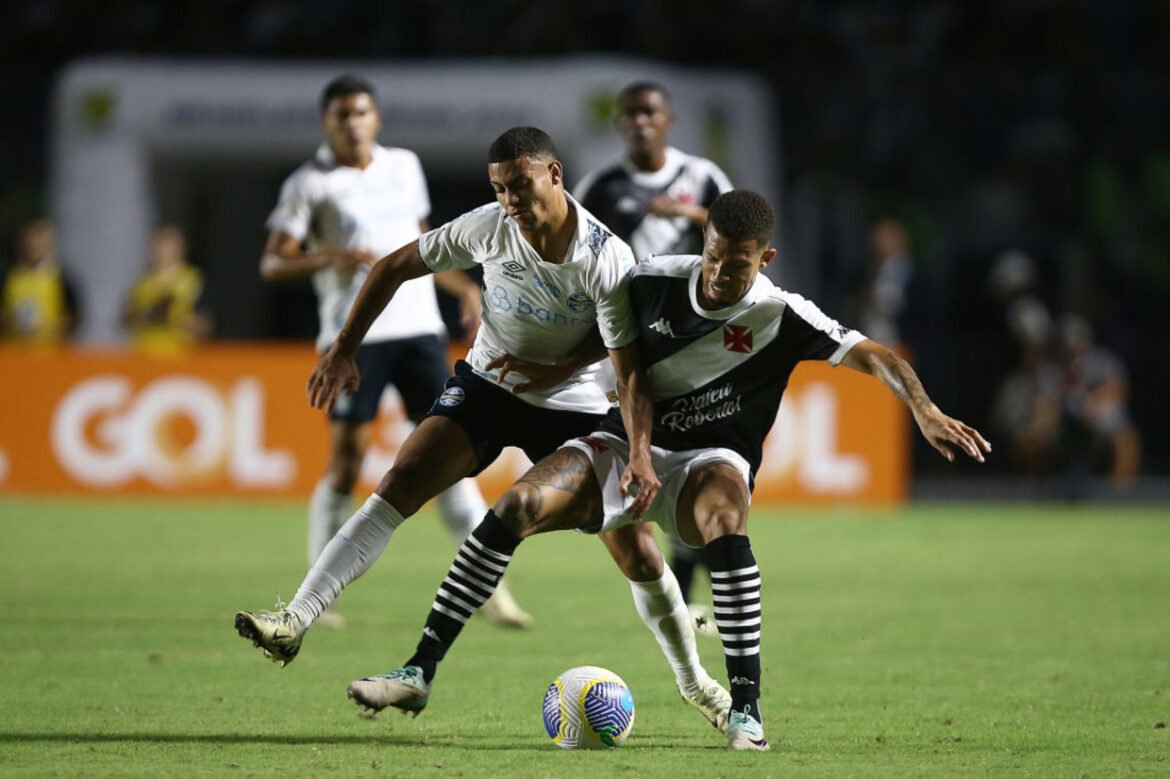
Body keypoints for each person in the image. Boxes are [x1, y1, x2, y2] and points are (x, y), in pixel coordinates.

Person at [351, 191, 991, 751]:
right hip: (626, 441)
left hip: (709, 461)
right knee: (515, 507)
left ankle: (746, 709)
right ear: (703, 240)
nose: (719, 274)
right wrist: (609, 426)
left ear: (764, 260)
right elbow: (615, 354)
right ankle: (419, 671)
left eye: (737, 265)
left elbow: (874, 354)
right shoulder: (652, 279)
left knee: (724, 518)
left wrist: (925, 410)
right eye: (713, 256)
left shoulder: (781, 314)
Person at [236, 125, 732, 732]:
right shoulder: (489, 227)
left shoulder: (605, 256)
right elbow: (394, 266)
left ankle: (695, 682)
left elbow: (626, 367)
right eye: (499, 189)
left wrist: (632, 449)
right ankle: (295, 619)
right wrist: (343, 348)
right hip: (489, 385)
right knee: (401, 481)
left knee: (636, 549)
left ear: (554, 175)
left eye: (520, 185)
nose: (510, 201)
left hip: (575, 405)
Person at [255, 74, 527, 628]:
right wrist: (328, 257)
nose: (353, 124)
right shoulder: (309, 183)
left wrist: (463, 286)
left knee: (450, 458)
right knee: (346, 465)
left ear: (375, 118)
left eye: (361, 113)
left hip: (420, 330)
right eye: (342, 115)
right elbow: (273, 262)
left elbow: (422, 242)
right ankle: (319, 595)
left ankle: (490, 592)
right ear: (326, 123)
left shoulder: (403, 165)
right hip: (355, 337)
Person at [575, 81, 734, 624]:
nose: (640, 122)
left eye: (650, 112)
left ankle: (689, 593)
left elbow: (741, 234)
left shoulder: (702, 176)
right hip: (622, 344)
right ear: (620, 123)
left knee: (693, 462)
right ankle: (677, 596)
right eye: (631, 114)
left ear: (668, 118)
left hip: (692, 343)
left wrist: (689, 216)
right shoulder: (601, 185)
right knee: (639, 463)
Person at [121, 224, 213, 352]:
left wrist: (174, 319)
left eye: (167, 244)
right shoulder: (142, 282)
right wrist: (147, 315)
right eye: (158, 243)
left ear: (181, 248)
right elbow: (125, 318)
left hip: (179, 354)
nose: (161, 250)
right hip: (143, 353)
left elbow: (205, 325)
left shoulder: (193, 280)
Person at [0, 218, 79, 344]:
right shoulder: (8, 275)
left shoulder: (63, 277)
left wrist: (49, 326)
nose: (36, 244)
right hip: (13, 349)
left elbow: (74, 317)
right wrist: (11, 322)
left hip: (51, 349)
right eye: (32, 238)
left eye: (41, 239)